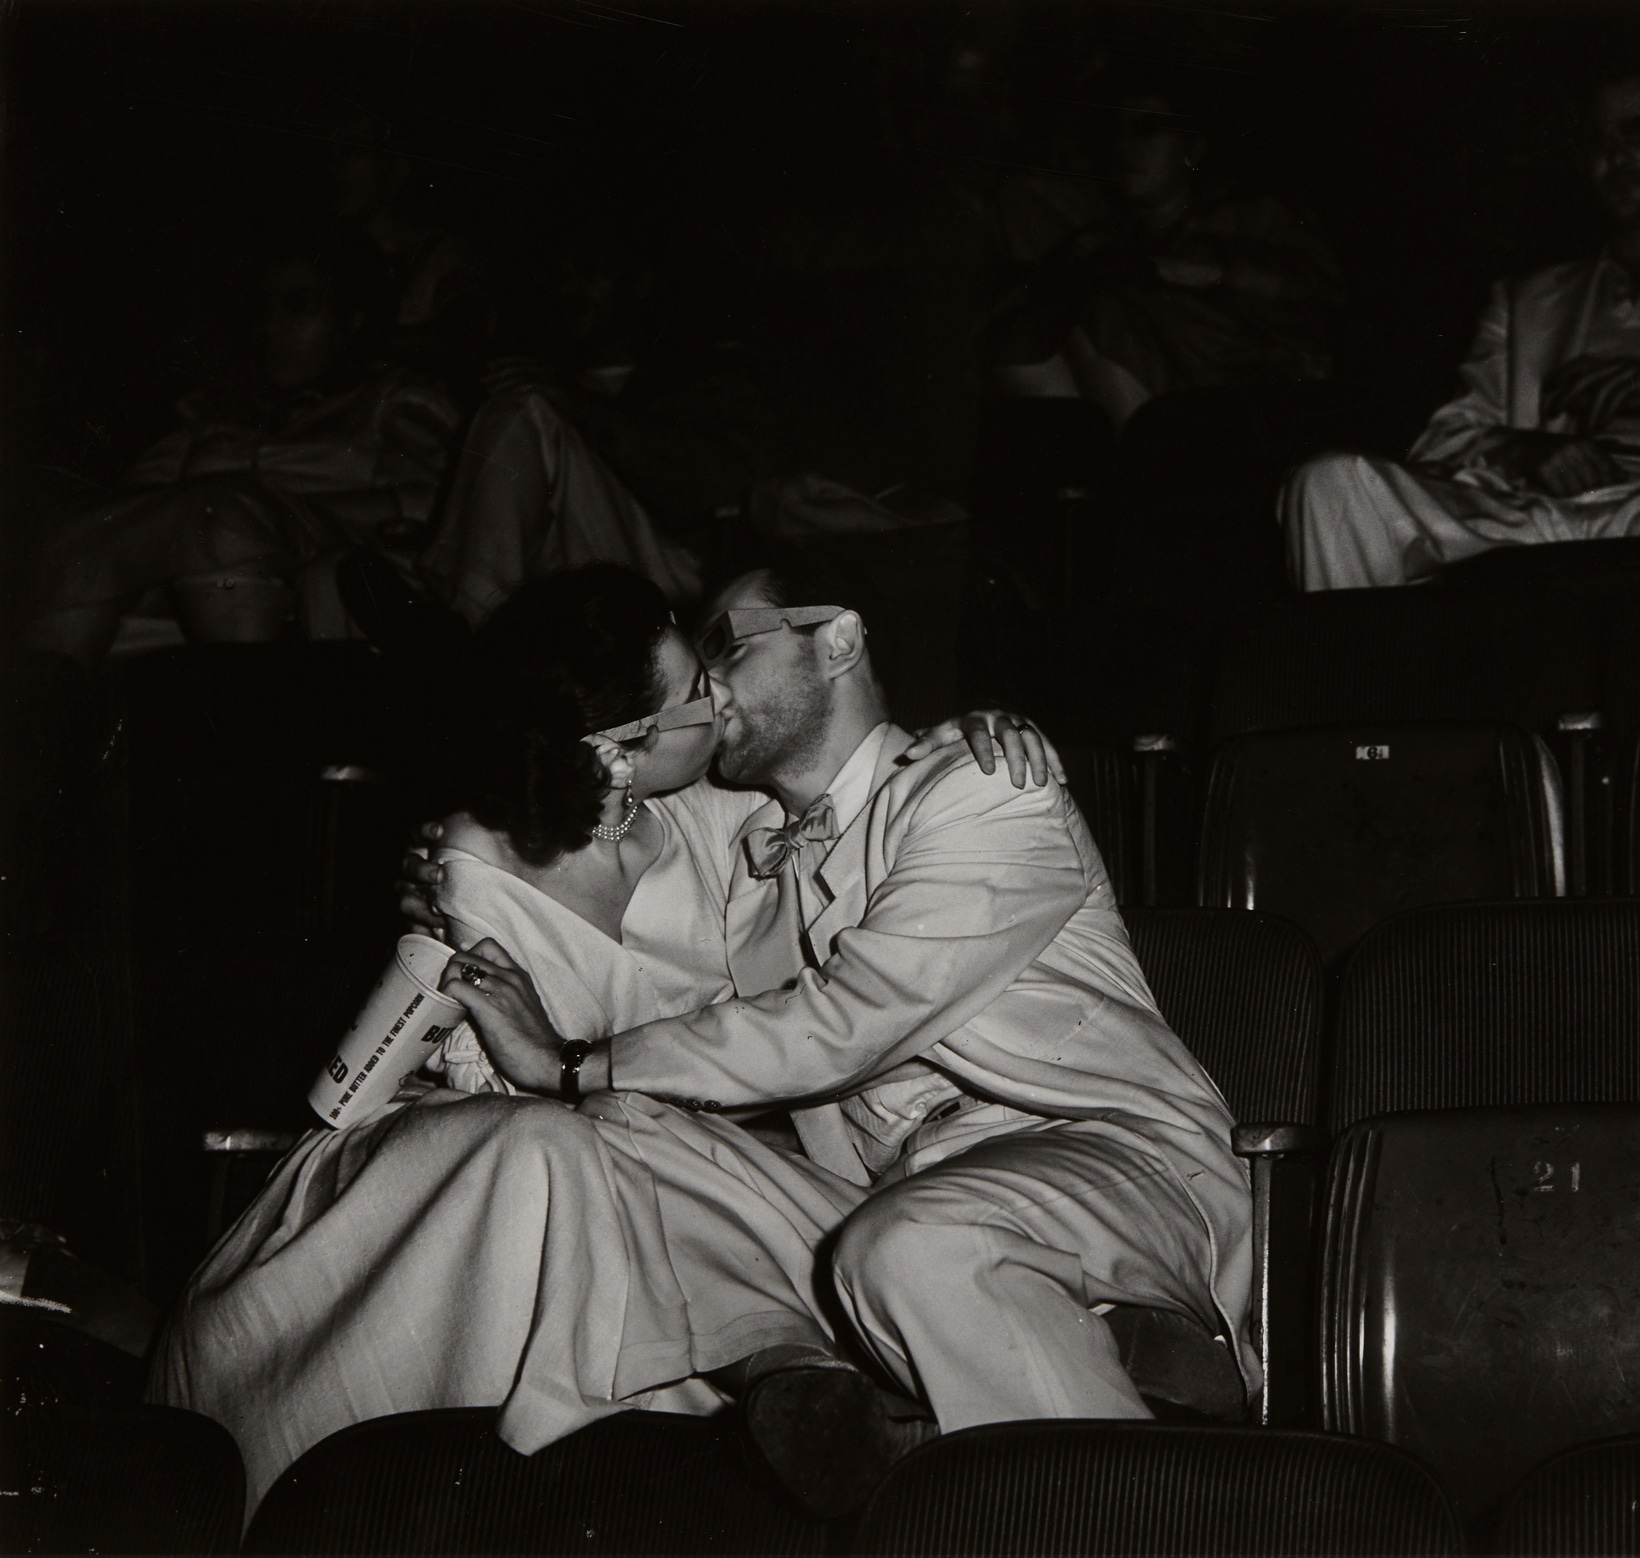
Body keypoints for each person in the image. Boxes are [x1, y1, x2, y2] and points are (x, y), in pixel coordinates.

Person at [146, 563, 1058, 1523]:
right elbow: (457, 1080)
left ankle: (788, 1382)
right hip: (475, 1182)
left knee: (604, 1152)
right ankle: (755, 1375)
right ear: (611, 753)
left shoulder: (727, 821)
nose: (721, 700)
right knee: (552, 1152)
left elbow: (866, 787)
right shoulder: (472, 864)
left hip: (672, 1176)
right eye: (692, 702)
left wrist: (973, 738)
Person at [445, 560, 1253, 1517]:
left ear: (838, 639)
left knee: (915, 1245)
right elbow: (578, 784)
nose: (703, 687)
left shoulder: (985, 787)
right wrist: (448, 858)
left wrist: (570, 1061)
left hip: (1093, 1155)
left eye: (725, 645)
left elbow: (844, 1024)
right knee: (610, 1138)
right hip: (880, 1196)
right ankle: (856, 1372)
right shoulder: (739, 837)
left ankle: (1111, 1492)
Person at [1279, 68, 1640, 590]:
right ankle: (1361, 709)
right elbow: (1446, 439)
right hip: (1532, 511)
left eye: (1639, 128)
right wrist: (1528, 449)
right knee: (1330, 485)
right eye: (1599, 138)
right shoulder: (1526, 298)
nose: (1615, 154)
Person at [25, 234, 460, 666]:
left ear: (353, 321)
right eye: (264, 311)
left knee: (227, 516)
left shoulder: (393, 400)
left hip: (326, 565)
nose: (269, 327)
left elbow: (444, 504)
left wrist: (279, 510)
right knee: (72, 532)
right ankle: (54, 716)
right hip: (203, 574)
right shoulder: (213, 420)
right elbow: (127, 513)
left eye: (296, 306)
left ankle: (248, 713)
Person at [418, 225, 779, 625]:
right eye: (561, 278)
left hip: (674, 576)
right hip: (569, 574)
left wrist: (580, 409)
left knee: (526, 405)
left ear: (638, 282)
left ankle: (473, 623)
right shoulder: (554, 376)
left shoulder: (703, 375)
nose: (569, 290)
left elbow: (731, 482)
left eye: (589, 271)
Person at [990, 83, 1342, 430]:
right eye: (1118, 131)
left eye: (1148, 130)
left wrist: (1211, 273)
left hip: (1252, 395)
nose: (1126, 145)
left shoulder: (1253, 214)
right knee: (1028, 334)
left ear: (1193, 149)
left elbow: (1324, 292)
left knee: (1103, 311)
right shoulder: (1106, 239)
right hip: (1157, 402)